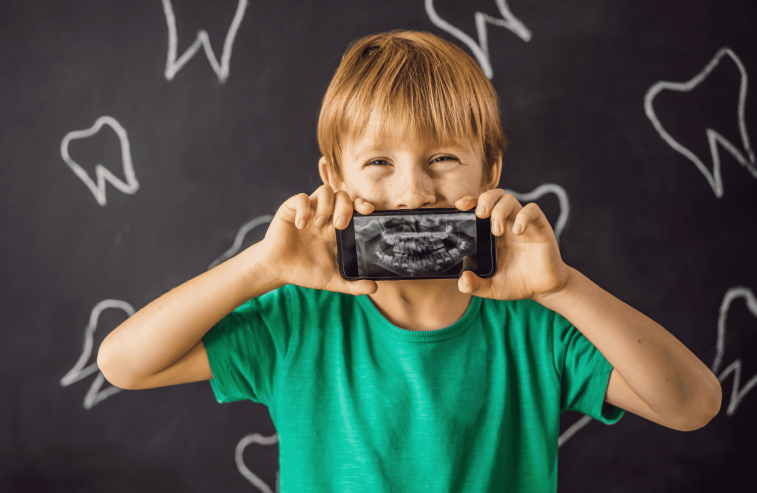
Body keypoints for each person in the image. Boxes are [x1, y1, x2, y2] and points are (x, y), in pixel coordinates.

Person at [97, 30, 722, 492]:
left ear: (492, 169)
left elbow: (693, 406)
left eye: (443, 159)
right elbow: (123, 364)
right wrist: (260, 269)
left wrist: (564, 288)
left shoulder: (539, 322)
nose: (414, 192)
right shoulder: (296, 317)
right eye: (378, 163)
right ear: (333, 179)